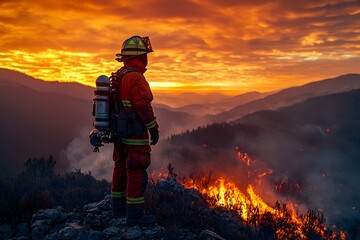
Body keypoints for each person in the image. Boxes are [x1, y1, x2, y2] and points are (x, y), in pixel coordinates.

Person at [111, 36, 159, 227]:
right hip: (134, 136)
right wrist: (153, 129)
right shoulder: (136, 78)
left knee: (120, 168)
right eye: (145, 56)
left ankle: (118, 212)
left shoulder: (120, 74)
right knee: (136, 169)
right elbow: (143, 107)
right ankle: (135, 218)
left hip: (119, 135)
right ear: (140, 57)